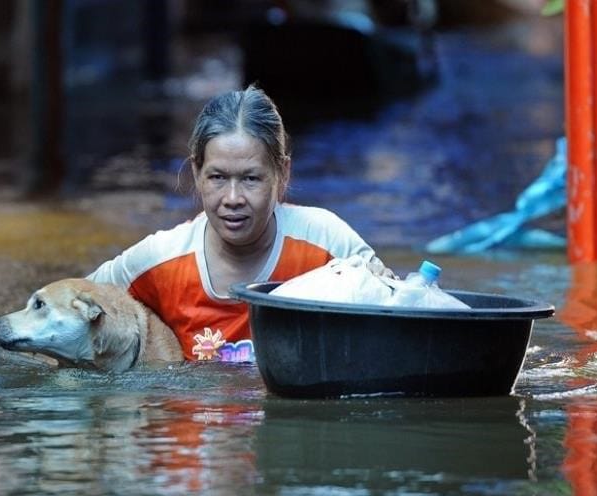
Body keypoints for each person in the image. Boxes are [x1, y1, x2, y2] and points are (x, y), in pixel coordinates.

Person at [88, 85, 389, 363]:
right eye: (217, 177)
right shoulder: (159, 260)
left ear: (282, 173)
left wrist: (378, 289)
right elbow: (68, 313)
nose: (233, 198)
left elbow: (395, 327)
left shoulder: (328, 245)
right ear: (196, 170)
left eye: (250, 178)